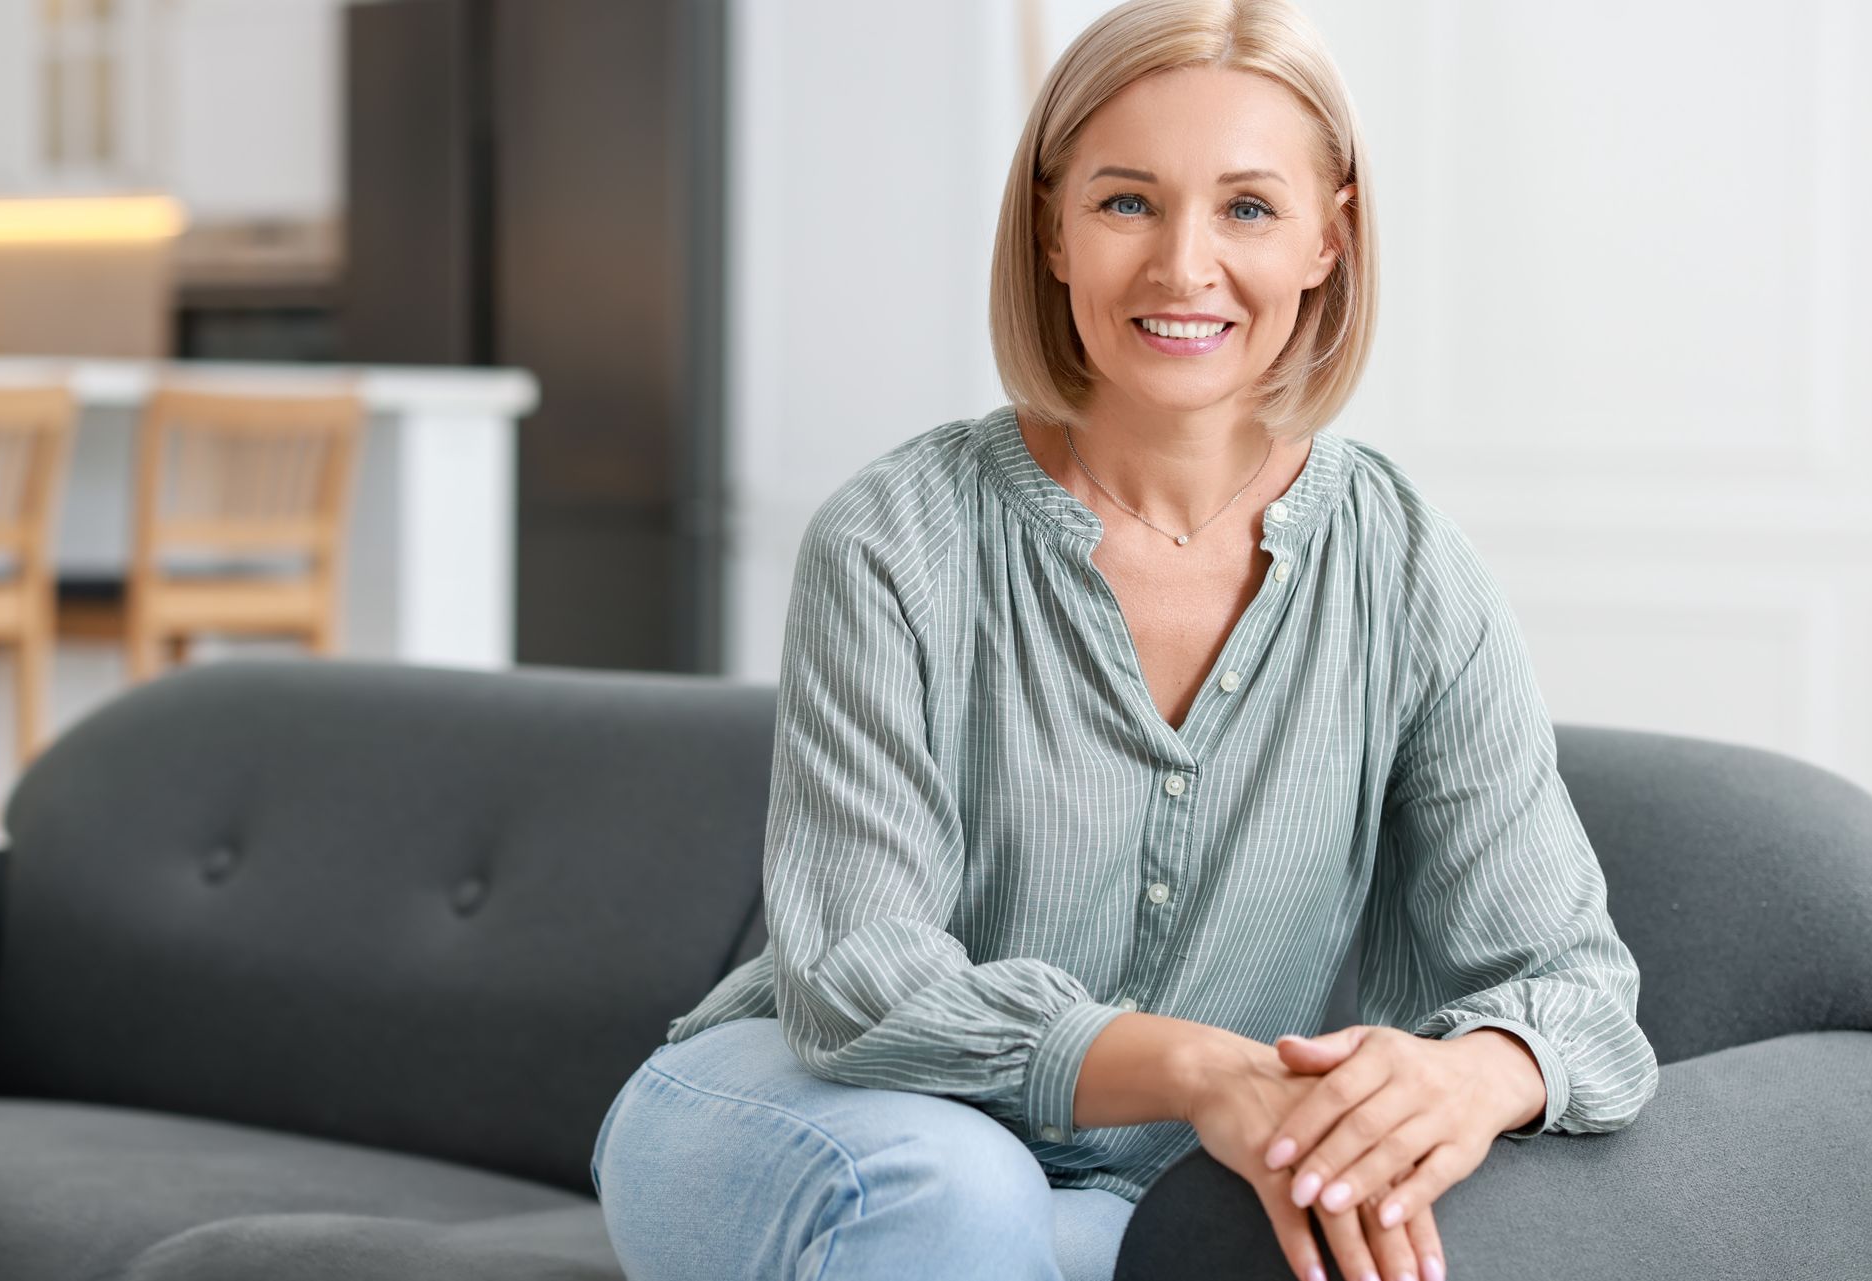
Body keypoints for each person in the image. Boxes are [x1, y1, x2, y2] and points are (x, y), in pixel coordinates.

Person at [590, 0, 1660, 1277]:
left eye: (1249, 209)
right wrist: (1203, 1068)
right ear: (1052, 227)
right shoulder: (890, 539)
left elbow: (1577, 989)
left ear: (1333, 237)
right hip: (797, 1115)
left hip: (1127, 1186)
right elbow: (859, 982)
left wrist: (1474, 1076)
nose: (1184, 269)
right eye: (1127, 203)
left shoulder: (1414, 572)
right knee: (962, 1188)